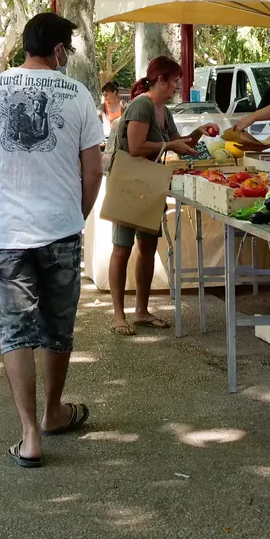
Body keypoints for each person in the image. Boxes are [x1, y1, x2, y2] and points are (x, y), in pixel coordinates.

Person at [0, 12, 103, 467]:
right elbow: (93, 171)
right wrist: (74, 216)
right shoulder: (77, 95)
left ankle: (29, 434)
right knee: (58, 326)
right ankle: (55, 411)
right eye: (68, 50)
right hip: (60, 230)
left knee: (15, 331)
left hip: (9, 232)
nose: (68, 57)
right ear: (58, 50)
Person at [107, 55, 217, 336]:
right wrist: (170, 143)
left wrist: (199, 133)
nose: (177, 87)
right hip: (129, 183)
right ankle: (118, 314)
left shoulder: (162, 111)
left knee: (146, 248)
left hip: (149, 183)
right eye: (175, 81)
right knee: (122, 248)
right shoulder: (142, 105)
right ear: (160, 80)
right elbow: (135, 147)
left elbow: (179, 144)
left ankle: (141, 311)